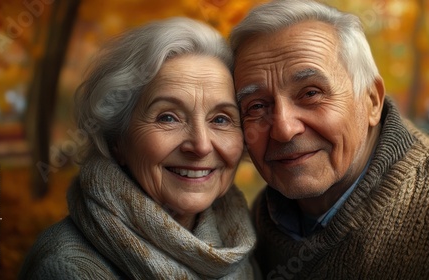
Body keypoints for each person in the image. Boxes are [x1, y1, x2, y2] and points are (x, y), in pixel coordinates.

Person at [230, 0, 429, 279]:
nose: (284, 129)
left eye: (310, 93)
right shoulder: (257, 219)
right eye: (256, 106)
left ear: (372, 100)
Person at [20, 17, 259, 279]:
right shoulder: (66, 267)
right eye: (168, 117)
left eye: (221, 119)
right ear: (118, 140)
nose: (201, 146)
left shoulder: (243, 238)